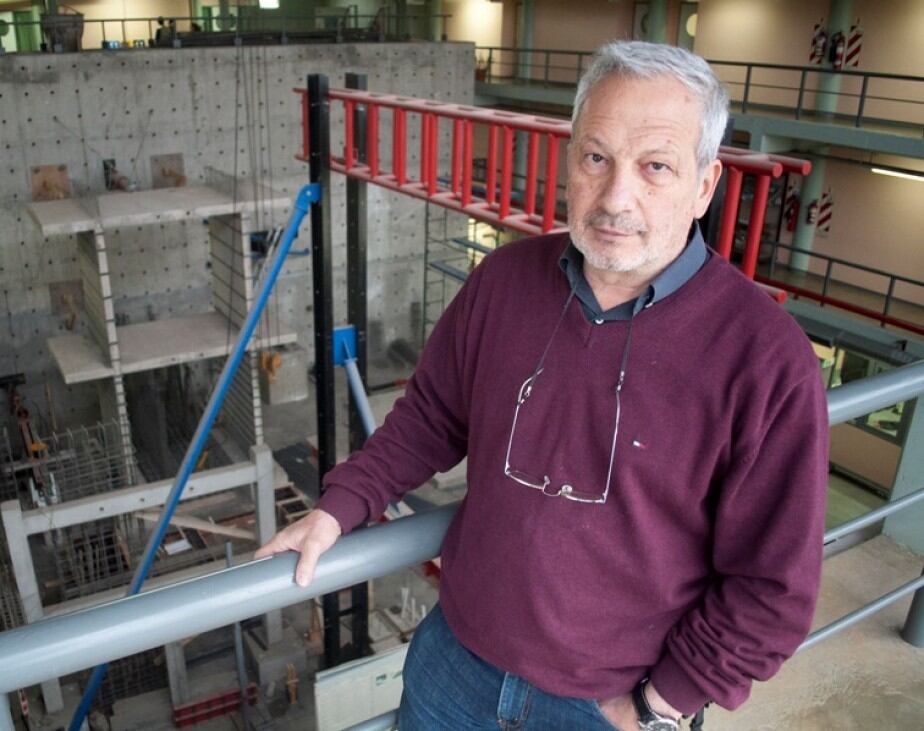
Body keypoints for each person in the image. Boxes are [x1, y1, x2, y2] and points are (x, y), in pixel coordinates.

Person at [256, 41, 828, 730]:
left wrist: (656, 703)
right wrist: (339, 505)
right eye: (597, 157)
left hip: (608, 704)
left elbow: (772, 588)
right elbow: (430, 417)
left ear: (705, 184)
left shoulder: (765, 358)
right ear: (568, 160)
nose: (617, 196)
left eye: (655, 167)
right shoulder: (503, 283)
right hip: (454, 666)